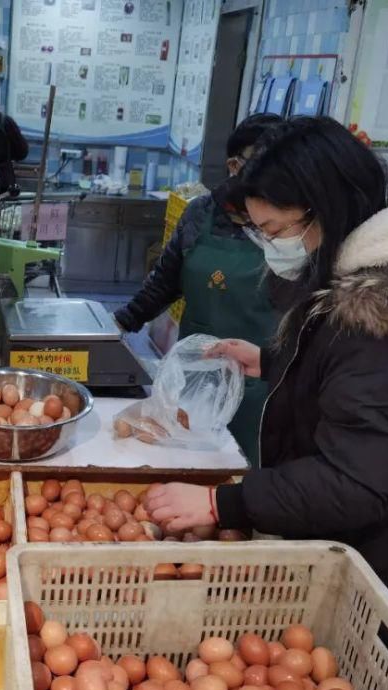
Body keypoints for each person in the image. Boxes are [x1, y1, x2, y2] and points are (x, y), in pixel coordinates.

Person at [144, 116, 388, 686]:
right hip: (380, 559)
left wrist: (224, 505)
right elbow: (359, 389)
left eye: (274, 231)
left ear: (322, 209)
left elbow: (358, 481)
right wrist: (274, 363)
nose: (270, 247)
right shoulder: (372, 283)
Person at [114, 113, 284, 466]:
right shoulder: (201, 216)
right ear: (234, 165)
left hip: (265, 383)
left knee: (251, 475)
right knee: (189, 470)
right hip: (197, 379)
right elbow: (165, 282)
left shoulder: (289, 228)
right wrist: (120, 324)